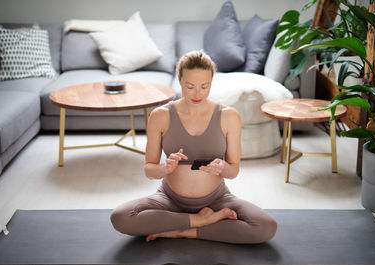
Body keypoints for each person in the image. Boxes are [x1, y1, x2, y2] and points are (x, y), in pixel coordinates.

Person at [110, 50, 277, 244]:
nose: (197, 93)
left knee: (266, 226)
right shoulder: (160, 115)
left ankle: (183, 231)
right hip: (169, 200)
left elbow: (233, 171)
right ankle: (199, 221)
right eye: (190, 86)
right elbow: (149, 169)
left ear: (211, 83)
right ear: (179, 81)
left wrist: (222, 167)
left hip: (216, 200)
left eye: (204, 86)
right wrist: (165, 169)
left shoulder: (229, 116)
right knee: (120, 217)